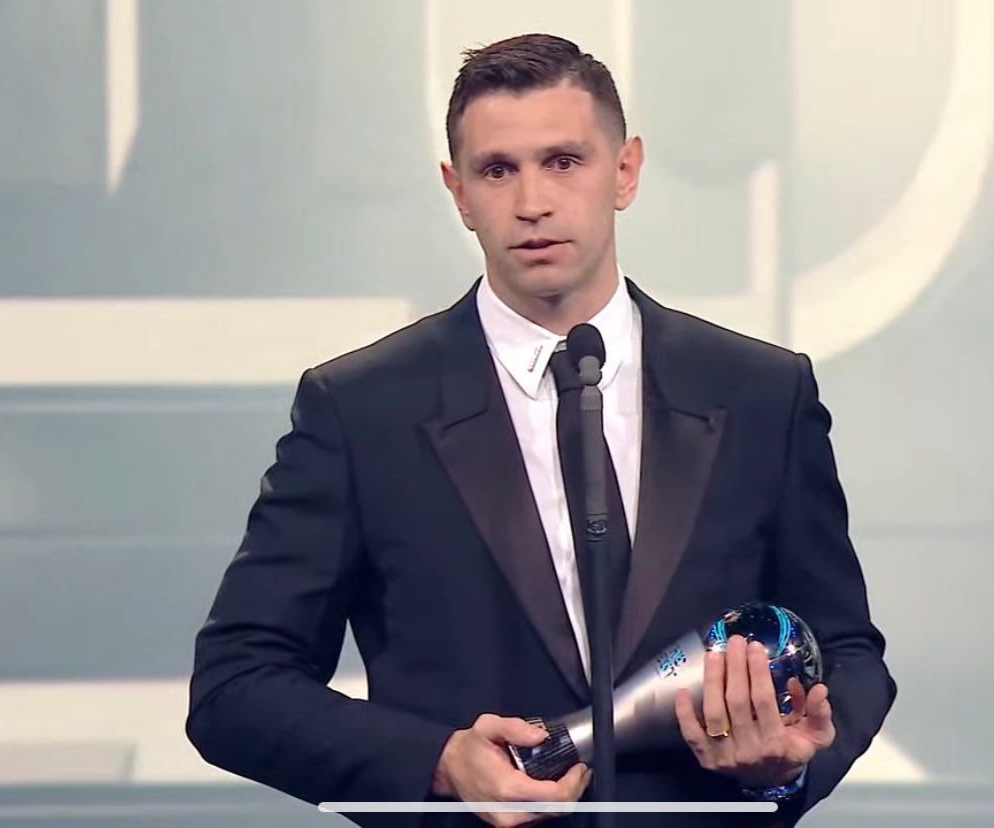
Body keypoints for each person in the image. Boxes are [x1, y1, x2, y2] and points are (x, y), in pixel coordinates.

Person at [186, 33, 896, 828]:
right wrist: (439, 763)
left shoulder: (760, 392)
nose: (532, 202)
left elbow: (848, 651)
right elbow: (235, 686)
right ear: (458, 192)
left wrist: (785, 769)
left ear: (625, 171)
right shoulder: (361, 410)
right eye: (498, 170)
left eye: (564, 161)